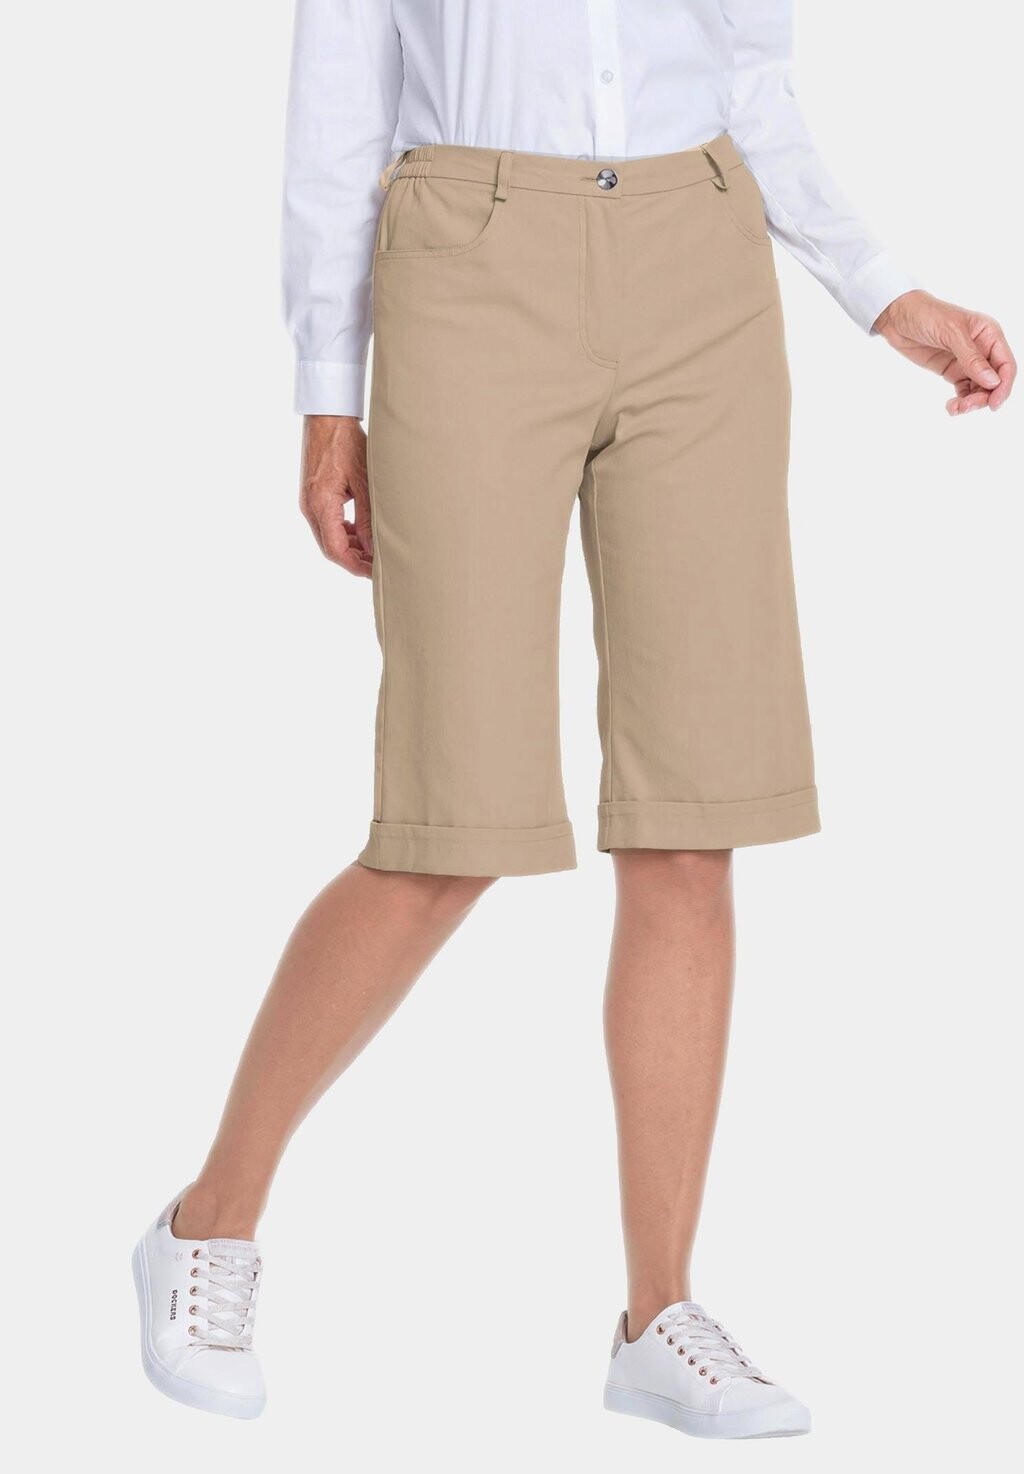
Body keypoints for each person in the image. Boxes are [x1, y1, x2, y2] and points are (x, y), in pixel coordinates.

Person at [132, 0, 1015, 1437]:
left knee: (692, 819)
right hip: (469, 257)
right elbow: (341, 99)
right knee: (449, 819)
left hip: (702, 257)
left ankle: (656, 1316)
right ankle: (207, 1222)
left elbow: (752, 79)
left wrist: (881, 290)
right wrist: (326, 390)